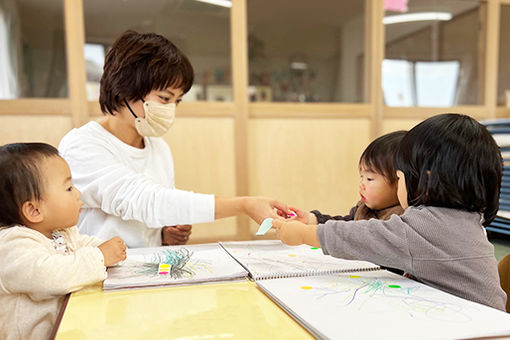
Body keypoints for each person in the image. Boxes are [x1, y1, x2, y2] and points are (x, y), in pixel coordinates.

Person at [59, 30, 289, 248]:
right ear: (125, 90)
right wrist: (244, 205)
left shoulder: (158, 148)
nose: (171, 109)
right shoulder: (82, 146)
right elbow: (145, 201)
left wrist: (164, 234)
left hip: (147, 268)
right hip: (100, 273)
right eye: (165, 98)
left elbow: (156, 213)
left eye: (177, 101)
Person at [273, 114, 507, 311]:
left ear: (424, 181)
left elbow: (362, 236)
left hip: (477, 327)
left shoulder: (425, 224)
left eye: (400, 177)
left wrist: (303, 235)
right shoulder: (469, 220)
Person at [0, 143, 127, 340]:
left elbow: (82, 245)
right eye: (68, 188)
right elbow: (49, 275)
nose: (78, 193)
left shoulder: (59, 233)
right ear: (34, 210)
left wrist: (108, 250)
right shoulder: (12, 245)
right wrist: (100, 257)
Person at [290, 131, 406, 225]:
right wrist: (311, 219)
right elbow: (343, 228)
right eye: (362, 177)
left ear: (400, 182)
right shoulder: (363, 209)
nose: (361, 184)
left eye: (369, 179)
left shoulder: (403, 219)